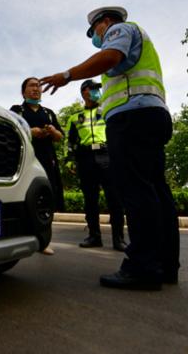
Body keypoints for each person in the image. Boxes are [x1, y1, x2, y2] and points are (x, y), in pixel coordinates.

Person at [40, 6, 180, 290]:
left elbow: (109, 56)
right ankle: (164, 264)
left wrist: (66, 75)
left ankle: (142, 267)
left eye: (94, 31)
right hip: (150, 115)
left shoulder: (119, 29)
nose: (95, 37)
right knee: (156, 191)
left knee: (137, 192)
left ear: (104, 22)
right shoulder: (139, 38)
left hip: (132, 118)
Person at [65, 79, 126, 252]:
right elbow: (70, 142)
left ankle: (118, 239)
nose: (96, 92)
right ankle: (94, 236)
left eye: (97, 89)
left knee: (114, 198)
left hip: (107, 155)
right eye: (92, 89)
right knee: (90, 200)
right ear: (84, 92)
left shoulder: (108, 111)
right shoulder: (75, 117)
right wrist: (69, 159)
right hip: (86, 158)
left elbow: (118, 132)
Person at [11, 77, 65, 255]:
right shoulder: (17, 111)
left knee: (46, 199)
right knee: (23, 196)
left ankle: (43, 241)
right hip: (25, 160)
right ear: (23, 92)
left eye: (39, 86)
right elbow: (11, 131)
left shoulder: (48, 113)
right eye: (32, 86)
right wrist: (30, 132)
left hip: (47, 160)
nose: (36, 88)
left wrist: (52, 131)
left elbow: (60, 137)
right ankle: (19, 237)